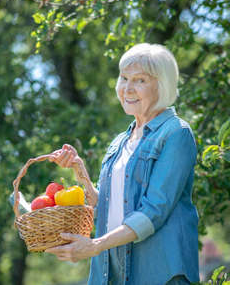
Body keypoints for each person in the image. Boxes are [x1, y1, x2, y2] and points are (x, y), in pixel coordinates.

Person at [45, 43, 199, 285]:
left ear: (162, 84)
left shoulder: (176, 134)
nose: (127, 88)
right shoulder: (121, 141)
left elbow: (154, 211)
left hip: (159, 273)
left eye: (140, 80)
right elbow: (106, 206)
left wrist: (95, 245)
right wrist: (79, 170)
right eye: (124, 78)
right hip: (113, 273)